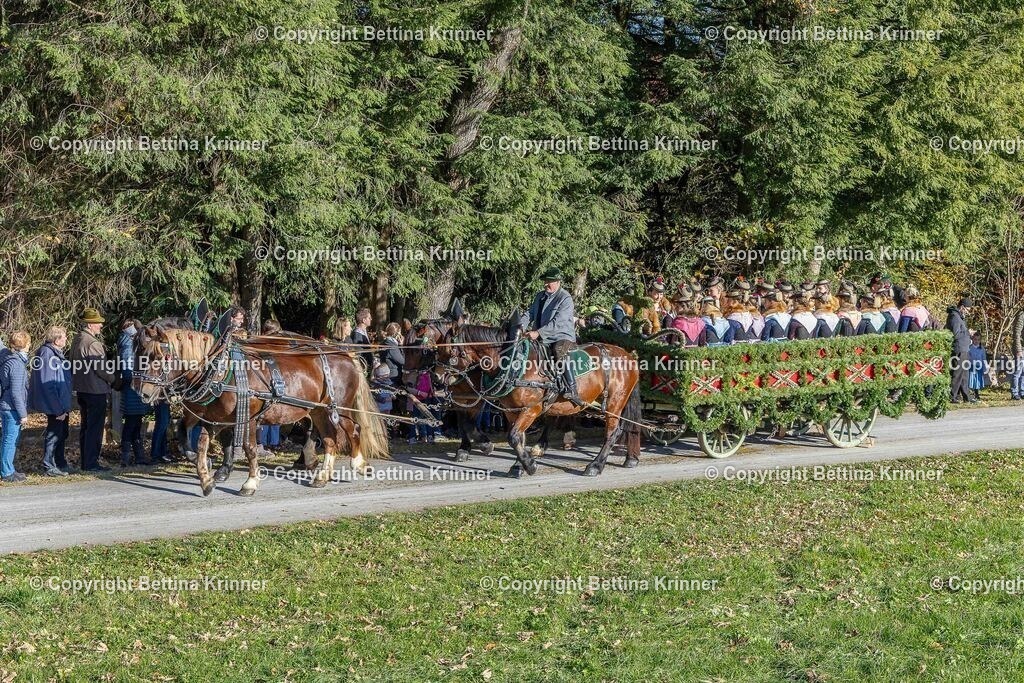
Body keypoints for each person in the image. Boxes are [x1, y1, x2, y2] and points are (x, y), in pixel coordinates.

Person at [519, 267, 585, 406]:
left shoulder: (565, 298)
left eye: (549, 281)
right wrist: (519, 328)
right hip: (542, 337)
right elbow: (529, 314)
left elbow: (558, 322)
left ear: (558, 281)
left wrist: (538, 333)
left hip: (561, 336)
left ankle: (572, 389)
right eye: (545, 281)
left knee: (558, 350)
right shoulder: (540, 296)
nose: (545, 284)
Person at [70, 308, 119, 472]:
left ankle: (86, 462)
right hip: (95, 390)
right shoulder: (93, 343)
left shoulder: (77, 339)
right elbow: (101, 370)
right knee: (95, 428)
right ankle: (91, 463)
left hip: (82, 389)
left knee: (85, 427)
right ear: (90, 324)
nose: (100, 326)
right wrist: (114, 380)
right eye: (98, 323)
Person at [29, 326, 73, 477]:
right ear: (56, 339)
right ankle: (49, 465)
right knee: (54, 434)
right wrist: (58, 409)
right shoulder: (48, 354)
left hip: (61, 402)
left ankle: (59, 463)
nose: (66, 339)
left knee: (61, 433)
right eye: (64, 336)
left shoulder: (55, 353)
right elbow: (48, 384)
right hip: (56, 404)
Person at [117, 319, 151, 466]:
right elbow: (127, 367)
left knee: (136, 423)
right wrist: (135, 380)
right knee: (131, 423)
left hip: (136, 387)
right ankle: (126, 458)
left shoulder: (132, 341)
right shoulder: (128, 342)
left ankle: (139, 457)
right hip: (132, 388)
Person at [0, 331, 31, 482]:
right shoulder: (16, 364)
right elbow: (16, 392)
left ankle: (9, 469)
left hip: (9, 406)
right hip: (11, 408)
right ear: (25, 345)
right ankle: (6, 472)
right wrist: (23, 414)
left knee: (9, 439)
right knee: (10, 440)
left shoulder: (11, 359)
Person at [946, 297, 974, 403]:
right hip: (959, 348)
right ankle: (952, 396)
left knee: (964, 374)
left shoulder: (959, 316)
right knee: (957, 374)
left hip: (964, 348)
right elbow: (956, 334)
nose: (968, 312)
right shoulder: (954, 317)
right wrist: (968, 333)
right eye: (967, 309)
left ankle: (966, 396)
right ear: (962, 307)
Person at [352, 309, 374, 375]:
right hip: (363, 369)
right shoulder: (357, 334)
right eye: (369, 318)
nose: (371, 319)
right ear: (364, 320)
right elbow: (359, 355)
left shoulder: (362, 332)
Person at [968, 331, 988, 401]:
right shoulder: (969, 348)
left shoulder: (982, 348)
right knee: (971, 380)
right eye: (975, 339)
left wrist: (985, 368)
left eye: (978, 340)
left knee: (977, 381)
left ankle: (976, 393)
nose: (976, 341)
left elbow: (984, 358)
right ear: (972, 339)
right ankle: (971, 393)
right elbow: (968, 358)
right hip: (972, 367)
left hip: (979, 367)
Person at [1012, 309, 1024, 400]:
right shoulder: (1021, 315)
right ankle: (1014, 392)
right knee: (1018, 372)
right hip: (1020, 348)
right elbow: (1016, 334)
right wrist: (1018, 349)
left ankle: (1022, 391)